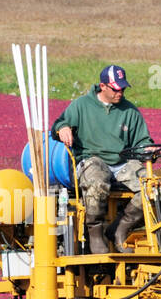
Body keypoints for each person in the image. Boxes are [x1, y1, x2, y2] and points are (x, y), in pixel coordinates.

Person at [51, 64, 153, 253]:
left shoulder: (130, 111)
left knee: (152, 185)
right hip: (91, 159)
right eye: (116, 89)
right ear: (103, 86)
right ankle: (95, 234)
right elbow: (59, 123)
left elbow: (142, 139)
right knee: (97, 180)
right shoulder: (81, 105)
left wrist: (146, 147)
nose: (120, 93)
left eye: (123, 88)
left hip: (121, 162)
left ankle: (119, 228)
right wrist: (63, 128)